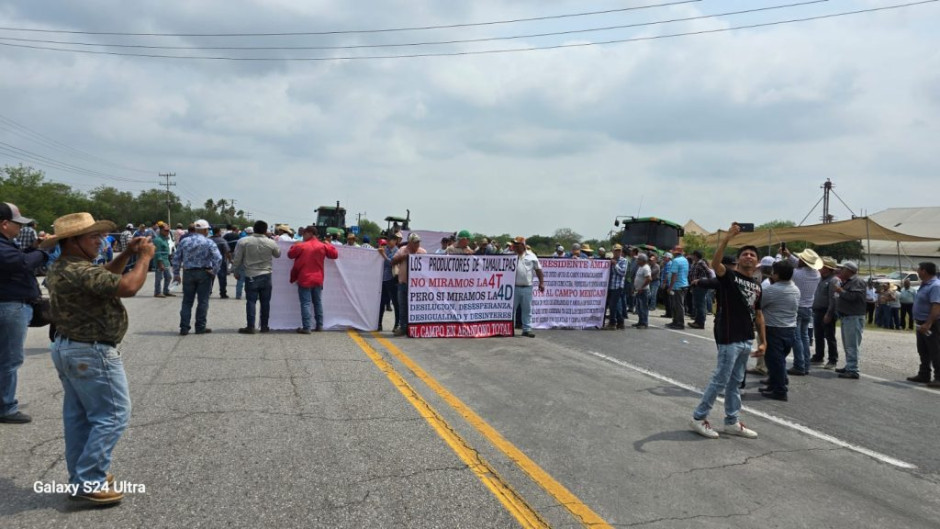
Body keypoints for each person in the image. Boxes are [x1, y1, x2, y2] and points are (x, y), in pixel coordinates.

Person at [43, 212, 154, 504]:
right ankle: (90, 480)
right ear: (73, 241)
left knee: (79, 418)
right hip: (90, 351)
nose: (100, 241)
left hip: (70, 348)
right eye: (93, 236)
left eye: (100, 235)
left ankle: (81, 479)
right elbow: (128, 287)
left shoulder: (66, 266)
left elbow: (106, 274)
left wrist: (127, 253)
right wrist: (144, 258)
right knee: (113, 415)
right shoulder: (79, 270)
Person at [689, 223, 764, 439]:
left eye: (752, 254)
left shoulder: (758, 286)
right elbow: (715, 263)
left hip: (746, 338)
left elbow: (759, 314)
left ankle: (731, 421)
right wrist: (727, 238)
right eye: (745, 254)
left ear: (757, 262)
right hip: (729, 336)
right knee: (721, 378)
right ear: (739, 260)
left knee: (736, 381)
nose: (749, 256)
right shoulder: (729, 276)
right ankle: (698, 418)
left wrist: (763, 341)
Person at [0, 203, 48, 424]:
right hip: (9, 306)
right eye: (17, 224)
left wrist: (36, 247)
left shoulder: (7, 244)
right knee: (10, 359)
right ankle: (6, 408)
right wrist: (43, 250)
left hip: (12, 306)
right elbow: (23, 263)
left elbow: (19, 258)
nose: (20, 229)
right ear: (4, 224)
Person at [172, 219, 222, 335]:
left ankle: (184, 327)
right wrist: (214, 271)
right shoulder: (208, 242)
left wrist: (176, 274)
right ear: (205, 230)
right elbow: (218, 258)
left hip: (188, 273)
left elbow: (176, 258)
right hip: (204, 273)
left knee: (187, 302)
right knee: (203, 301)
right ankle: (200, 327)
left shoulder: (184, 241)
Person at [759, 260, 800, 401]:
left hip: (774, 328)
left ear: (776, 274)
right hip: (790, 328)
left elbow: (758, 305)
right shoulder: (795, 288)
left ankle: (780, 390)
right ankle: (774, 383)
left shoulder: (772, 290)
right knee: (778, 359)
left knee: (774, 361)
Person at [233, 220, 281, 334]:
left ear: (254, 229)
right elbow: (278, 254)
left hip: (251, 275)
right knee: (265, 302)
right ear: (265, 230)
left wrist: (235, 270)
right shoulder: (271, 242)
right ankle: (264, 326)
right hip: (266, 275)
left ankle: (250, 326)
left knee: (251, 301)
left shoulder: (243, 241)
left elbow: (237, 258)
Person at [288, 226, 338, 333]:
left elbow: (290, 255)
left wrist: (294, 245)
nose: (303, 236)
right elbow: (334, 255)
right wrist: (329, 244)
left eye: (304, 234)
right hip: (318, 278)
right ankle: (319, 325)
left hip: (304, 278)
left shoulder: (301, 246)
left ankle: (307, 327)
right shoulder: (322, 246)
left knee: (306, 303)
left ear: (309, 233)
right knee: (317, 302)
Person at [782, 248, 822, 376]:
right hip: (808, 308)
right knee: (804, 337)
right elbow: (798, 264)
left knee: (797, 338)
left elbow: (793, 267)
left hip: (797, 307)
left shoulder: (797, 274)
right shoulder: (817, 274)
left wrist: (786, 257)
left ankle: (799, 365)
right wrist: (789, 255)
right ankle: (805, 365)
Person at [908, 262, 940, 387]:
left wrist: (928, 323)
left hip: (931, 323)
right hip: (921, 322)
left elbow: (937, 306)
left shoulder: (935, 286)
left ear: (924, 271)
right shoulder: (925, 284)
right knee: (923, 350)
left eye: (918, 270)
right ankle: (924, 374)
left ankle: (939, 377)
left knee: (935, 350)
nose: (917, 272)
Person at [833, 261, 866, 379]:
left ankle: (853, 369)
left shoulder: (858, 281)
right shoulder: (848, 281)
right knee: (847, 344)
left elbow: (854, 297)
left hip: (854, 317)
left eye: (843, 269)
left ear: (849, 271)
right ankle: (849, 366)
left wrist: (840, 291)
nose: (841, 271)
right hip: (847, 316)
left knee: (852, 345)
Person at [391, 232, 426, 336]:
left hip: (417, 286)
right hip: (403, 284)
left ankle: (415, 327)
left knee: (415, 307)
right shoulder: (402, 250)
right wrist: (403, 257)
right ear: (410, 243)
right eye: (415, 243)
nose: (417, 245)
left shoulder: (423, 252)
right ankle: (403, 327)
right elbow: (392, 262)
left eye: (418, 242)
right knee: (402, 306)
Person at [511, 236, 545, 338]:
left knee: (527, 309)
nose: (515, 247)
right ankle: (509, 328)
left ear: (523, 245)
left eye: (517, 245)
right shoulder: (510, 256)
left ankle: (526, 329)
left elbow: (538, 270)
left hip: (527, 287)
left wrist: (541, 282)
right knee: (511, 309)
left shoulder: (531, 256)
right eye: (514, 245)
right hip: (513, 287)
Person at [810, 257, 839, 369]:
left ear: (827, 268)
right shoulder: (821, 279)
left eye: (822, 266)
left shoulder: (833, 280)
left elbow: (834, 299)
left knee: (829, 336)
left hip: (827, 311)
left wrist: (829, 314)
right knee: (818, 336)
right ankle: (818, 356)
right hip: (818, 311)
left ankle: (832, 360)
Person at [378, 236, 400, 332]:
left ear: (395, 241)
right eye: (387, 241)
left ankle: (397, 324)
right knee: (381, 303)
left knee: (395, 303)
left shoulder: (397, 251)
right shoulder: (385, 249)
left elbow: (391, 262)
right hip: (383, 279)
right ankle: (379, 324)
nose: (388, 242)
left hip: (393, 280)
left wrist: (383, 255)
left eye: (390, 240)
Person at [604, 244, 627, 330]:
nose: (617, 252)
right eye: (616, 250)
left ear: (621, 251)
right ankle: (620, 323)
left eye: (619, 250)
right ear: (613, 251)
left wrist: (615, 264)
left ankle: (612, 323)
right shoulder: (610, 260)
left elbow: (622, 272)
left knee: (613, 305)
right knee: (616, 305)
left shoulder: (623, 260)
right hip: (609, 286)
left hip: (617, 286)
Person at [666, 246, 689, 330]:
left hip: (677, 286)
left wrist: (670, 287)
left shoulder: (675, 261)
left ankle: (679, 323)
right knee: (677, 305)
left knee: (678, 306)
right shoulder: (685, 260)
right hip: (683, 284)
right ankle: (675, 321)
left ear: (675, 253)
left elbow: (674, 275)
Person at [688, 250, 711, 329]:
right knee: (697, 304)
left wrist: (701, 280)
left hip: (700, 286)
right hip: (695, 286)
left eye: (693, 255)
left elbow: (709, 273)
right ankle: (697, 321)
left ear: (696, 255)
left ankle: (700, 323)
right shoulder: (696, 263)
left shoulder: (701, 263)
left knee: (700, 304)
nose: (692, 256)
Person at [210, 228, 232, 299]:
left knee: (210, 278)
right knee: (222, 278)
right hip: (221, 262)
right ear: (218, 232)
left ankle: (208, 291)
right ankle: (223, 293)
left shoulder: (208, 240)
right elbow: (227, 251)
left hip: (210, 262)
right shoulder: (222, 241)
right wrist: (230, 259)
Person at [153, 223, 174, 298]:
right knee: (159, 278)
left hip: (166, 261)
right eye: (166, 230)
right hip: (160, 262)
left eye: (168, 230)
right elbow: (158, 252)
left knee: (168, 277)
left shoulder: (165, 239)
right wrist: (160, 263)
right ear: (161, 230)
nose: (168, 232)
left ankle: (166, 291)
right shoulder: (158, 240)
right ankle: (157, 292)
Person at [632, 253, 652, 329]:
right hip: (639, 290)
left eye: (638, 259)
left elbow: (649, 279)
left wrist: (641, 287)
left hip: (643, 291)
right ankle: (640, 322)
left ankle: (644, 323)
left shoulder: (646, 268)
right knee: (639, 307)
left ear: (643, 260)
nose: (637, 260)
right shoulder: (640, 267)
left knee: (643, 307)